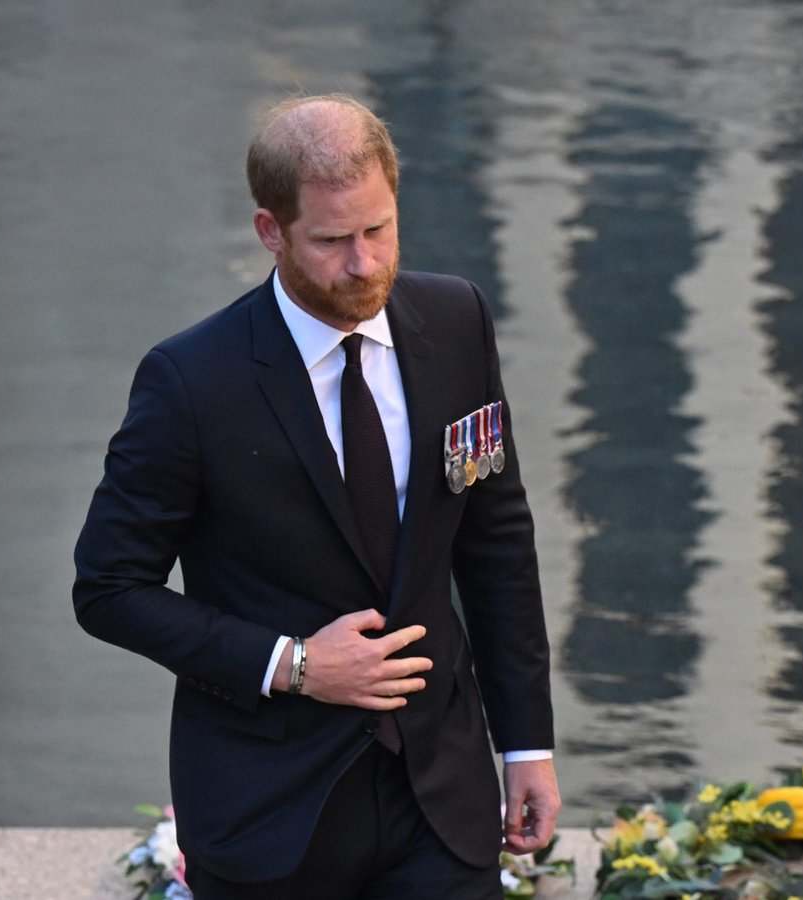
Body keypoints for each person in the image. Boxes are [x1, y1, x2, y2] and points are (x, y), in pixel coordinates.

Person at [73, 93, 559, 899]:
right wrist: (293, 665)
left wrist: (526, 745)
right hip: (267, 813)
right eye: (333, 241)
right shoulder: (191, 381)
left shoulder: (458, 319)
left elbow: (496, 543)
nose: (364, 264)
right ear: (272, 231)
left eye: (379, 230)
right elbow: (108, 588)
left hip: (441, 800)